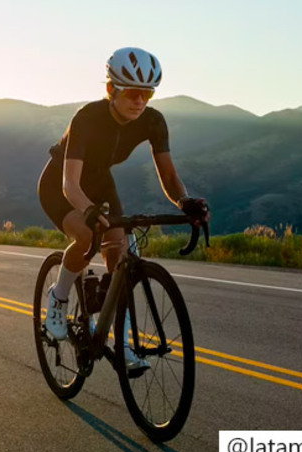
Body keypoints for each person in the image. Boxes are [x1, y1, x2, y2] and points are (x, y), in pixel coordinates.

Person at [37, 47, 210, 371]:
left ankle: (123, 343)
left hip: (101, 182)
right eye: (132, 92)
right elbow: (70, 186)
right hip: (61, 184)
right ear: (110, 90)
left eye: (147, 93)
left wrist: (185, 201)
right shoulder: (87, 118)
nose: (140, 101)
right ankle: (58, 298)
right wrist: (88, 210)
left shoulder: (153, 121)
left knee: (120, 257)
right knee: (88, 237)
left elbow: (170, 176)